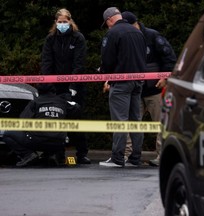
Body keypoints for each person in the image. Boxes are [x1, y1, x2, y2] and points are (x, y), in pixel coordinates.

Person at [121, 11, 177, 166]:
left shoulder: (153, 36)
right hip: (135, 89)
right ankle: (129, 155)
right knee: (132, 124)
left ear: (135, 24)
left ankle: (162, 156)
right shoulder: (127, 39)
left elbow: (170, 58)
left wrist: (165, 78)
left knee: (161, 123)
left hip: (155, 89)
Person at [40, 8, 91, 164]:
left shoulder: (78, 38)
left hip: (75, 86)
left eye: (65, 21)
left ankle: (81, 153)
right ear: (56, 23)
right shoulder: (51, 39)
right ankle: (57, 153)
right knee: (54, 120)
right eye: (59, 22)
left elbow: (79, 64)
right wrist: (48, 86)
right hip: (55, 87)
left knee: (76, 119)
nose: (62, 24)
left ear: (70, 21)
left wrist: (73, 86)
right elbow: (47, 63)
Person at [99, 7, 147, 167]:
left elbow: (107, 60)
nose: (108, 26)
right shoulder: (138, 32)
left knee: (120, 120)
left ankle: (117, 158)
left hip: (121, 82)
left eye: (106, 24)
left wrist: (106, 75)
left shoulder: (112, 33)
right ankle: (135, 158)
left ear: (109, 20)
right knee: (136, 120)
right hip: (138, 80)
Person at [3, 83, 81, 167]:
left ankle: (28, 155)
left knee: (8, 134)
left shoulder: (35, 103)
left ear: (39, 92)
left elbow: (23, 121)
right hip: (59, 142)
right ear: (54, 91)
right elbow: (76, 109)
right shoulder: (62, 102)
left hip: (37, 141)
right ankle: (52, 155)